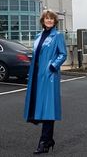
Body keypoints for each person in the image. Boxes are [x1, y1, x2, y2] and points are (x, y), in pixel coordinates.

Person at [24, 9, 67, 154]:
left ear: (55, 21)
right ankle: (48, 140)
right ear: (43, 20)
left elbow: (63, 54)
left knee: (48, 108)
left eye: (51, 18)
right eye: (46, 18)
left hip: (49, 77)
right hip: (37, 76)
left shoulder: (57, 36)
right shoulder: (38, 36)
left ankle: (44, 142)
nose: (49, 20)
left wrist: (52, 66)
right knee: (40, 107)